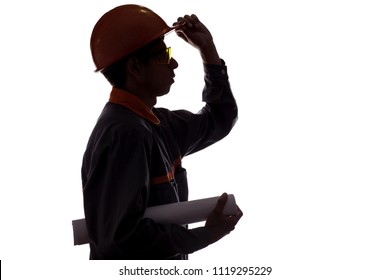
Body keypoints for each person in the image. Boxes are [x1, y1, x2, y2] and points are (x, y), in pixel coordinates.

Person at [81, 4, 243, 260]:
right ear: (134, 67)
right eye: (164, 54)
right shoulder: (125, 134)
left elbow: (220, 118)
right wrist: (206, 235)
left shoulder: (157, 124)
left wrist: (207, 50)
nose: (174, 63)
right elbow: (121, 239)